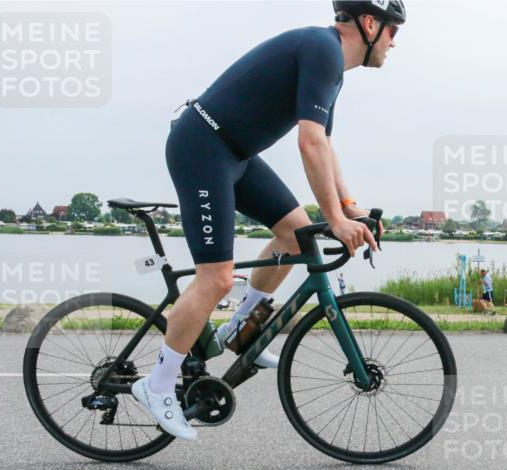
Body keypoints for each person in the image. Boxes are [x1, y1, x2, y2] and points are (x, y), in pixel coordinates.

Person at [131, 1, 406, 441]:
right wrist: (334, 219)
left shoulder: (329, 63)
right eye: (394, 32)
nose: (395, 43)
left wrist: (349, 205)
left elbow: (325, 145)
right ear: (370, 24)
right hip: (202, 147)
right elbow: (308, 141)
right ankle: (157, 384)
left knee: (297, 238)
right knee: (216, 278)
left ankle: (241, 328)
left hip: (234, 154)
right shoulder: (322, 48)